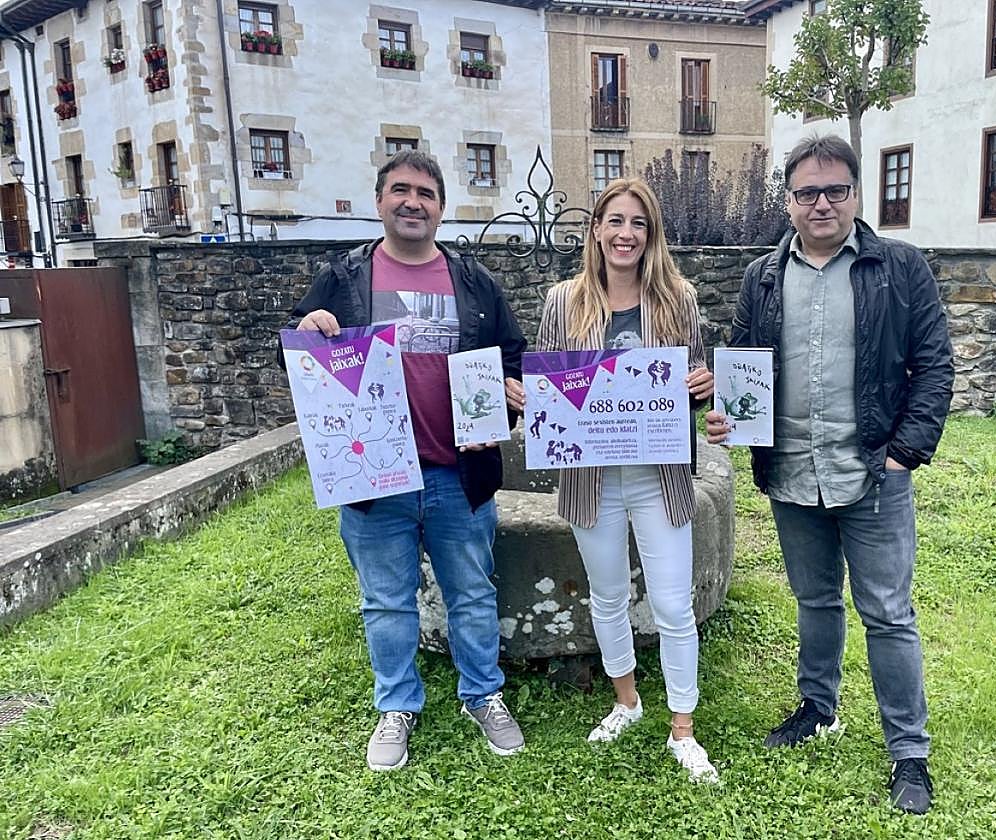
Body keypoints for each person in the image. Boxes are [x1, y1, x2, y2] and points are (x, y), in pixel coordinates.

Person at [706, 135, 953, 813]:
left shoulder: (899, 267)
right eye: (807, 192)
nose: (822, 203)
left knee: (888, 613)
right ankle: (819, 708)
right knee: (815, 602)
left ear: (855, 195)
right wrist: (728, 416)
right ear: (788, 202)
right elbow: (742, 364)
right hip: (791, 472)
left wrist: (906, 453)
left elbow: (935, 367)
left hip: (872, 474)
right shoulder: (762, 276)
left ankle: (909, 753)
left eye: (835, 190)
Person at [286, 150, 528, 770]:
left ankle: (483, 695)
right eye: (401, 190)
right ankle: (397, 705)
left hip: (458, 472)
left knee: (472, 593)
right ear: (380, 201)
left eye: (425, 192)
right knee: (385, 600)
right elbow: (301, 358)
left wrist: (504, 396)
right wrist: (310, 328)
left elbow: (511, 357)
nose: (412, 201)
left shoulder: (474, 281)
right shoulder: (342, 278)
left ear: (442, 208)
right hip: (377, 475)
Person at [512, 178, 718, 783]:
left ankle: (683, 728)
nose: (625, 234)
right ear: (596, 230)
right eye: (615, 221)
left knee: (673, 604)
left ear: (650, 236)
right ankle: (626, 700)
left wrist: (704, 386)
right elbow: (550, 390)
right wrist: (531, 398)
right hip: (590, 479)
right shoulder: (562, 302)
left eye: (638, 224)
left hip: (658, 476)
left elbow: (700, 382)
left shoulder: (679, 299)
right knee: (607, 597)